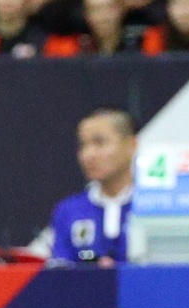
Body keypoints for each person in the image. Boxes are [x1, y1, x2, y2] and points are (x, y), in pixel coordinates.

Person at [46, 107, 136, 263]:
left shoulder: (156, 205)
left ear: (131, 145)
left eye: (99, 143)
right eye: (82, 145)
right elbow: (61, 267)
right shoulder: (68, 210)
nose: (88, 155)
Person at [44, 0, 140, 55]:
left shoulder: (141, 44)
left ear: (121, 9)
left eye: (109, 7)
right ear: (86, 15)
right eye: (95, 9)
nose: (103, 16)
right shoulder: (75, 50)